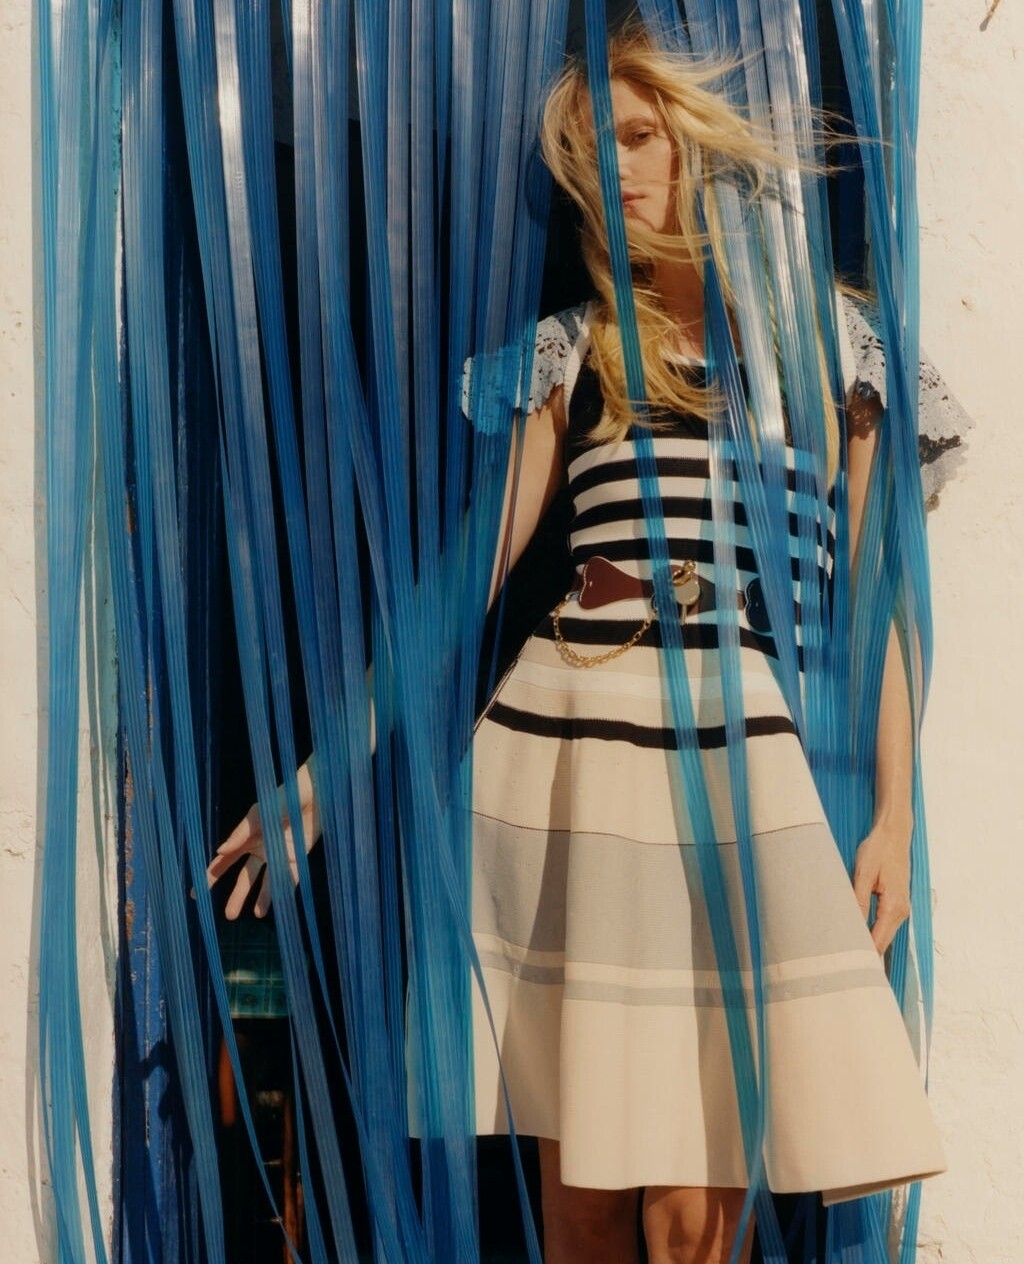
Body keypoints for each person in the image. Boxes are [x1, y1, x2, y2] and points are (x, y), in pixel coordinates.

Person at [209, 28, 946, 1264]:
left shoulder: (834, 348)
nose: (618, 172)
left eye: (641, 138)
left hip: (738, 773)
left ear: (702, 145)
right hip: (574, 758)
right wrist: (321, 773)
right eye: (593, 154)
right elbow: (462, 584)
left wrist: (894, 815)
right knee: (586, 1199)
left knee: (696, 1208)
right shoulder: (578, 351)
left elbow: (884, 603)